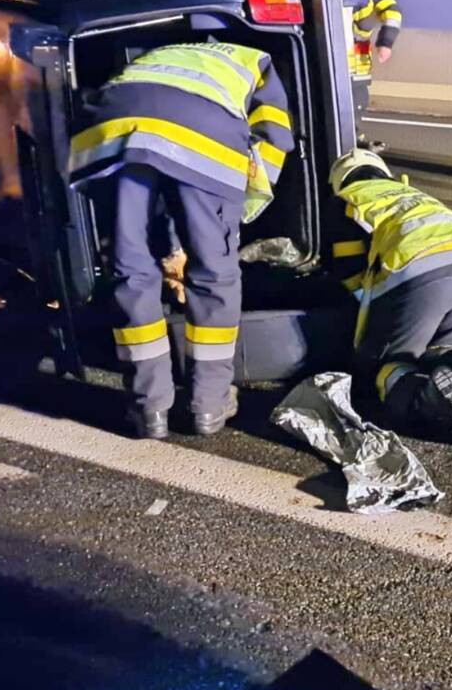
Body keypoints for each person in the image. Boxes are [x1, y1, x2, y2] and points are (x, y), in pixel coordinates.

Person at [69, 41, 293, 439]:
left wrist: (170, 241)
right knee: (215, 273)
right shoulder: (256, 60)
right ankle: (209, 404)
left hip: (111, 129)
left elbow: (163, 160)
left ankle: (149, 407)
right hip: (203, 129)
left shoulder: (159, 57)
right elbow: (275, 133)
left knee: (130, 267)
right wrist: (246, 199)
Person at [328, 150, 452, 445]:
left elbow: (349, 270)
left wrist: (372, 327)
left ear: (341, 181)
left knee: (390, 366)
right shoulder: (413, 194)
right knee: (443, 348)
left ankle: (432, 401)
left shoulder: (349, 198)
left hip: (421, 275)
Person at [292, 0, 402, 136]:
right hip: (328, 67)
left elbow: (391, 10)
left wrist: (385, 42)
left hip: (346, 71)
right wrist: (385, 43)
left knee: (344, 123)